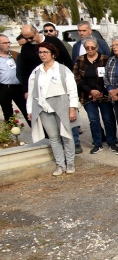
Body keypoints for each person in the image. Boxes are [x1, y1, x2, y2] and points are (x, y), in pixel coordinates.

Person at [26, 42, 79, 176]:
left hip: (61, 106)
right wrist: (30, 110)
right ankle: (60, 165)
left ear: (53, 54)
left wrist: (72, 108)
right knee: (54, 138)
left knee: (67, 136)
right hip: (44, 108)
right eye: (40, 52)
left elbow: (72, 91)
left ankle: (70, 163)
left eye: (45, 52)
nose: (42, 55)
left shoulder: (62, 69)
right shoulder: (36, 71)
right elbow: (31, 93)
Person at [72, 36, 118, 153]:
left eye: (92, 47)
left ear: (97, 47)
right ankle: (97, 143)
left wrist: (98, 90)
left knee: (108, 118)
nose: (90, 49)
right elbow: (77, 78)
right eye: (87, 47)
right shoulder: (80, 60)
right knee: (93, 120)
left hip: (103, 94)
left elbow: (108, 77)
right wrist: (90, 91)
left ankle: (112, 141)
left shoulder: (105, 59)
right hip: (87, 95)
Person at [0, 34, 29, 126]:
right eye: (4, 43)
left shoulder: (15, 55)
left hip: (18, 87)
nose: (7, 45)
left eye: (8, 42)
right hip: (3, 88)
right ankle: (11, 133)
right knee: (7, 111)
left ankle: (38, 131)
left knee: (26, 109)